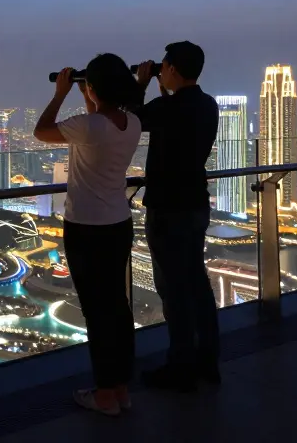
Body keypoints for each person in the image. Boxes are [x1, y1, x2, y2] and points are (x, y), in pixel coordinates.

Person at [34, 53, 144, 416]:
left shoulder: (90, 126)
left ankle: (105, 395)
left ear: (94, 88)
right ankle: (121, 387)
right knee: (115, 306)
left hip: (86, 228)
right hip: (117, 224)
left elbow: (41, 130)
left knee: (97, 313)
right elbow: (100, 121)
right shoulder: (131, 122)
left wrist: (61, 93)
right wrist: (89, 95)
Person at [134, 41, 220, 391]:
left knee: (173, 289)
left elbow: (131, 120)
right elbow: (169, 116)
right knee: (197, 285)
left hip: (167, 208)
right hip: (196, 204)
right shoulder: (207, 105)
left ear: (171, 69)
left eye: (164, 66)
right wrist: (161, 90)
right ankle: (207, 362)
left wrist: (140, 83)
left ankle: (180, 367)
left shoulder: (165, 108)